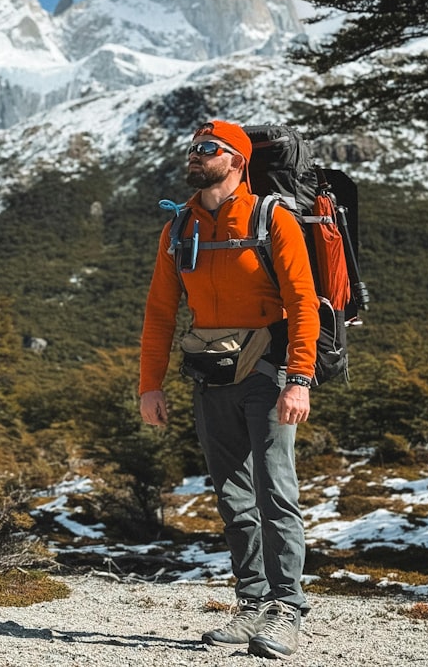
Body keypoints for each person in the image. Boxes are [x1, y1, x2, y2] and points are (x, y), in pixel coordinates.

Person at [138, 119, 320, 659]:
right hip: (209, 376)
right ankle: (251, 603)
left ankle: (286, 608)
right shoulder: (178, 229)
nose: (196, 156)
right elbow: (159, 313)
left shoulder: (272, 219)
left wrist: (299, 380)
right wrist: (151, 385)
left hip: (268, 375)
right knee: (233, 497)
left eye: (208, 149)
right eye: (193, 148)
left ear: (237, 161)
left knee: (275, 493)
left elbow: (304, 302)